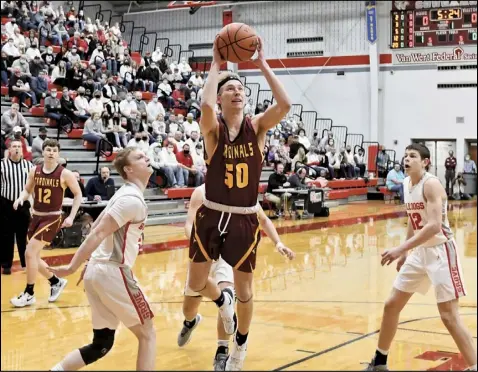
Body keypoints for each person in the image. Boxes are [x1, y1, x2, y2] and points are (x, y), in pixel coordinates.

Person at [188, 37, 291, 371]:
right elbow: (204, 109)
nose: (238, 92)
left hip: (244, 218)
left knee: (246, 290)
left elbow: (285, 105)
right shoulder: (213, 129)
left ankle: (241, 346)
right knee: (196, 283)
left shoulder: (257, 126)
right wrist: (217, 64)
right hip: (212, 213)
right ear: (220, 99)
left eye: (241, 89)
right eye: (230, 89)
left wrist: (261, 63)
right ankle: (222, 301)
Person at [364, 143, 477, 371]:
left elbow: (434, 226)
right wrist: (406, 252)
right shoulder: (406, 183)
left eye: (412, 156)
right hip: (420, 252)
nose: (407, 159)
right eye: (405, 156)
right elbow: (414, 220)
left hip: (442, 251)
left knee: (449, 316)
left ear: (424, 162)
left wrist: (399, 248)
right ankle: (379, 362)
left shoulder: (431, 184)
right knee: (391, 305)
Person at [49, 147, 156, 371]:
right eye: (139, 157)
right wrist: (72, 266)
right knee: (147, 333)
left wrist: (90, 263)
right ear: (128, 169)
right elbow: (97, 233)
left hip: (98, 272)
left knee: (102, 344)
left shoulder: (123, 192)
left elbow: (97, 226)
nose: (146, 158)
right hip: (113, 272)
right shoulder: (131, 200)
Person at [178, 184, 295, 370]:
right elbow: (189, 224)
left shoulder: (241, 191)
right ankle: (190, 321)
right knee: (189, 307)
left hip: (226, 252)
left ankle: (222, 349)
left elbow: (263, 220)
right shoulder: (201, 192)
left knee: (227, 297)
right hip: (203, 250)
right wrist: (200, 244)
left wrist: (278, 243)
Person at [10, 139, 83, 307]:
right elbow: (27, 190)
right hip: (36, 217)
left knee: (28, 253)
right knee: (34, 257)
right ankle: (55, 281)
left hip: (52, 218)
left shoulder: (65, 174)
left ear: (58, 154)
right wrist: (21, 198)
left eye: (54, 150)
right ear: (42, 152)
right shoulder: (34, 171)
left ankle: (29, 293)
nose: (51, 153)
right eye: (48, 149)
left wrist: (71, 216)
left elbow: (77, 194)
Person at [1, 139, 33, 274]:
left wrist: (32, 206)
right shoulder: (2, 165)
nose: (17, 149)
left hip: (22, 204)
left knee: (22, 235)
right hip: (5, 203)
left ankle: (25, 264)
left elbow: (32, 187)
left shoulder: (29, 165)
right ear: (9, 149)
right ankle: (6, 265)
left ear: (22, 149)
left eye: (19, 146)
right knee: (5, 235)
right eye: (14, 146)